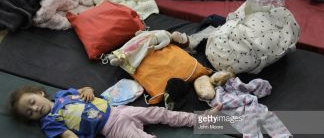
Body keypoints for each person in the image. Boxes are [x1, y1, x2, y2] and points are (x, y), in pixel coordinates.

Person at [9, 85, 222, 138]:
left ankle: (201, 120)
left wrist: (87, 90)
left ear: (39, 93)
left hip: (121, 110)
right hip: (112, 127)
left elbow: (85, 90)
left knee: (161, 113)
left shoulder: (63, 95)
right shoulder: (49, 122)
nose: (35, 108)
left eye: (32, 102)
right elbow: (67, 135)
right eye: (30, 112)